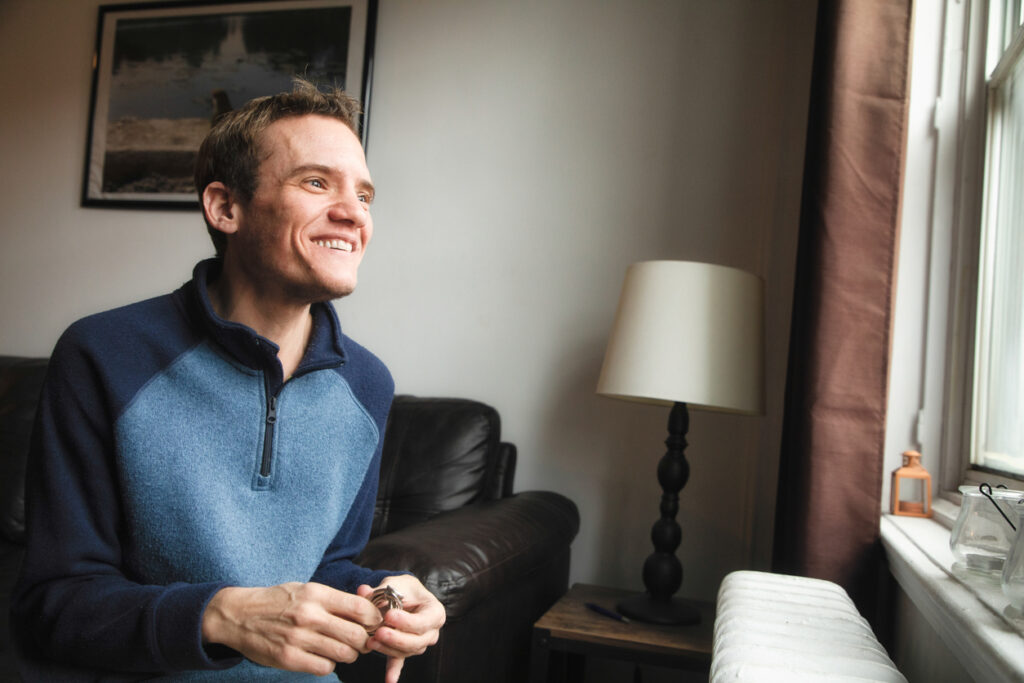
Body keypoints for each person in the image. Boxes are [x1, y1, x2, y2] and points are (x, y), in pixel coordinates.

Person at [11, 79, 445, 681]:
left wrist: (384, 599)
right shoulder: (103, 354)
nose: (352, 213)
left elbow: (326, 570)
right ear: (225, 208)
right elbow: (52, 607)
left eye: (365, 195)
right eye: (316, 183)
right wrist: (220, 615)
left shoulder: (368, 383)